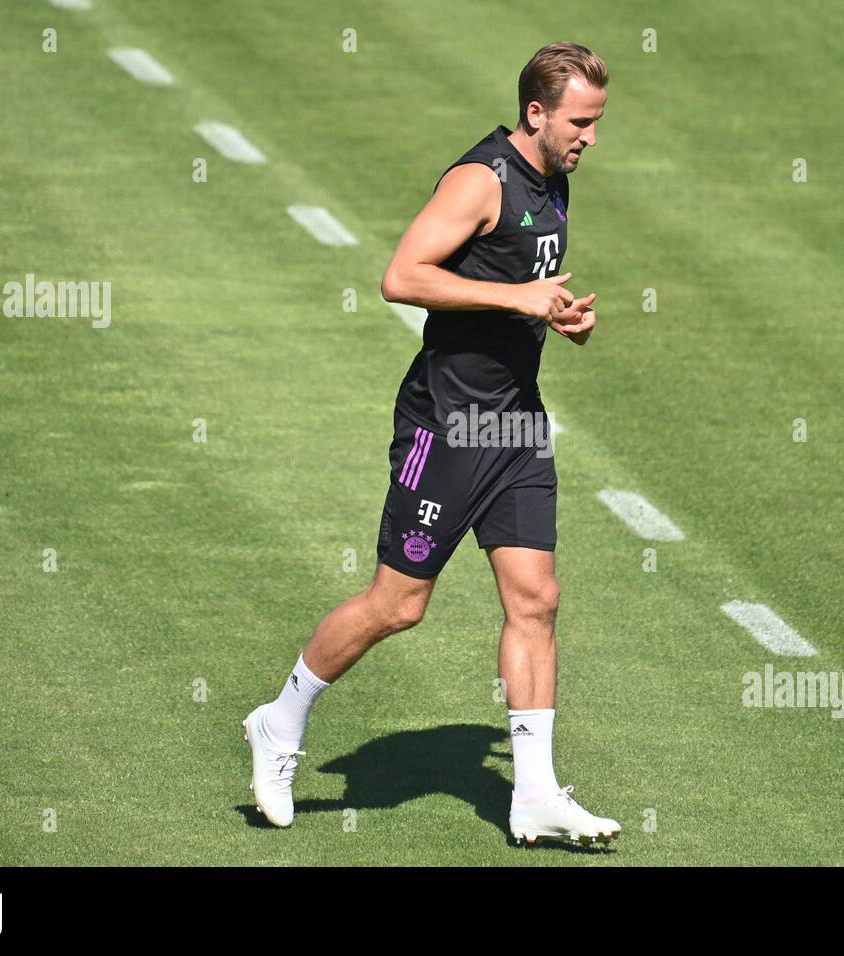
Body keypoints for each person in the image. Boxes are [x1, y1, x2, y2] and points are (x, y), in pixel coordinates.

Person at [244, 41, 616, 847]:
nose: (591, 137)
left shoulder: (553, 179)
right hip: (446, 426)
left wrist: (556, 316)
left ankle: (536, 794)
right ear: (537, 114)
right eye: (580, 122)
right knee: (398, 605)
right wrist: (516, 295)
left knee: (536, 601)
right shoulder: (481, 180)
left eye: (597, 122)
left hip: (514, 422)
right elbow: (403, 275)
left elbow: (519, 291)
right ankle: (279, 722)